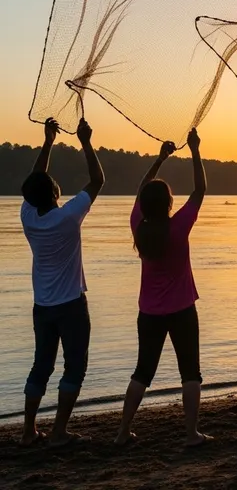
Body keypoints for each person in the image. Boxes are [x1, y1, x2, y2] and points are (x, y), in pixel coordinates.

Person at [115, 128, 210, 447]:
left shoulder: (137, 226)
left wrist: (159, 159)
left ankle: (123, 430)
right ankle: (191, 433)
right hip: (182, 310)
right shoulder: (178, 227)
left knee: (142, 371)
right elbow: (200, 190)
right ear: (169, 203)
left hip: (149, 313)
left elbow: (142, 192)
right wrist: (195, 150)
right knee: (190, 372)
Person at [19, 117, 105, 448]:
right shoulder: (68, 216)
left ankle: (28, 432)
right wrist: (84, 140)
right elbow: (98, 179)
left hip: (42, 307)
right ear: (56, 192)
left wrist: (48, 141)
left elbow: (33, 182)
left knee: (40, 367)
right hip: (70, 305)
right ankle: (58, 432)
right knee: (75, 367)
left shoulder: (28, 216)